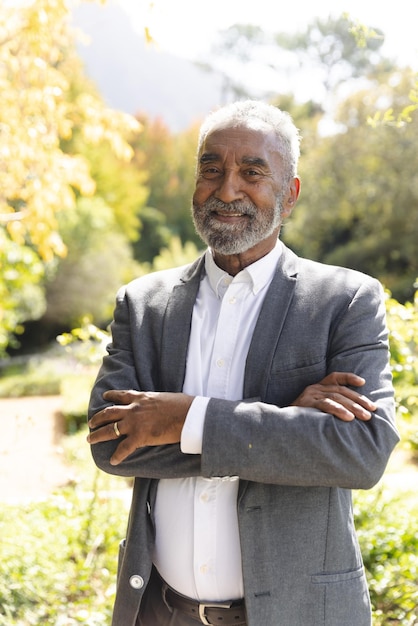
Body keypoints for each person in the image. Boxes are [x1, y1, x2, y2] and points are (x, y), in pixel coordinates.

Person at [87, 100, 399, 626]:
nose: (226, 189)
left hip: (299, 614)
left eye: (252, 172)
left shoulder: (345, 300)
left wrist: (184, 421)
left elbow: (361, 453)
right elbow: (111, 443)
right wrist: (285, 418)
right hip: (160, 613)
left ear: (290, 194)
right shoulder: (143, 305)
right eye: (211, 169)